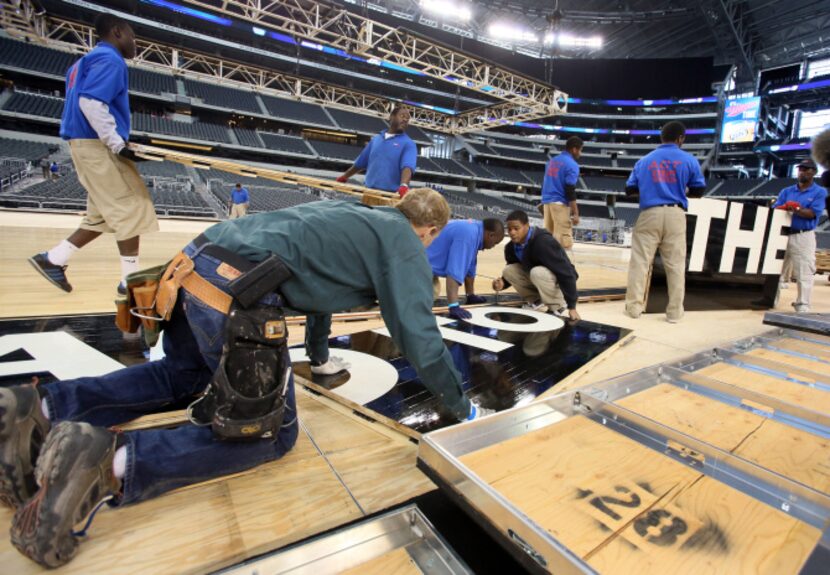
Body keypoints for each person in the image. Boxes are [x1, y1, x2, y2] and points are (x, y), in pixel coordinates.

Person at [0, 188, 493, 568]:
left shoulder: (350, 214)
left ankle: (40, 408)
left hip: (190, 267)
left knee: (183, 377)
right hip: (237, 291)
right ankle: (111, 462)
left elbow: (318, 294)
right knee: (273, 434)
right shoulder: (404, 242)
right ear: (428, 230)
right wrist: (459, 406)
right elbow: (418, 334)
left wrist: (319, 358)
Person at [28, 14, 157, 296]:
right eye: (133, 37)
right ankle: (130, 282)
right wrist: (117, 143)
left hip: (84, 143)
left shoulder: (83, 62)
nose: (135, 44)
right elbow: (92, 102)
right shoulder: (111, 59)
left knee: (102, 216)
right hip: (97, 145)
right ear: (118, 31)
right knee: (131, 206)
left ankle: (53, 259)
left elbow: (85, 101)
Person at [623, 121, 706, 323]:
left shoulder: (644, 161)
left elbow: (629, 189)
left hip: (649, 212)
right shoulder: (689, 160)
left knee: (640, 263)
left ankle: (634, 308)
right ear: (680, 139)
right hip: (676, 214)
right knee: (675, 265)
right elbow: (699, 190)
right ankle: (674, 312)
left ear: (662, 138)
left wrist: (651, 188)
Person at [492, 210, 580, 321]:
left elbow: (566, 273)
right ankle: (536, 300)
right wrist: (503, 283)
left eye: (516, 228)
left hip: (558, 282)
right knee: (508, 270)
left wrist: (572, 306)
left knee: (537, 272)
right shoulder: (510, 247)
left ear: (527, 226)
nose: (512, 232)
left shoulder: (543, 242)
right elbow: (516, 272)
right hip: (540, 280)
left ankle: (558, 305)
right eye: (509, 229)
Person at [770, 159, 827, 313]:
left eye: (806, 169)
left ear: (813, 172)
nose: (802, 171)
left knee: (804, 271)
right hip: (782, 234)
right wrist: (784, 207)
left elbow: (812, 213)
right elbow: (776, 209)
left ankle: (803, 304)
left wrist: (796, 208)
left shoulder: (820, 192)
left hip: (803, 236)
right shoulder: (787, 191)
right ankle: (770, 299)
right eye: (800, 169)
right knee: (774, 271)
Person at [426, 218, 504, 319]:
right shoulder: (469, 236)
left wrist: (470, 295)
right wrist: (453, 305)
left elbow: (470, 268)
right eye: (495, 243)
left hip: (424, 263)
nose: (493, 246)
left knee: (432, 290)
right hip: (415, 264)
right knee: (426, 297)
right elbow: (454, 272)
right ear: (491, 235)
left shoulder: (474, 230)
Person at [336, 106, 416, 197]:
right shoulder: (376, 139)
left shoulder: (409, 144)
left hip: (390, 196)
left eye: (407, 119)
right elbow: (360, 163)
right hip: (368, 192)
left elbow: (407, 166)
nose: (405, 120)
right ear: (391, 117)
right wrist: (344, 177)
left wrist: (404, 185)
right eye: (402, 116)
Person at [540, 136, 583, 252]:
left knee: (547, 240)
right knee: (565, 242)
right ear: (574, 149)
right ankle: (563, 269)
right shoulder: (572, 165)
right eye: (580, 150)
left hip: (547, 203)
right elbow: (570, 189)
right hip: (560, 204)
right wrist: (575, 212)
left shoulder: (551, 161)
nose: (580, 153)